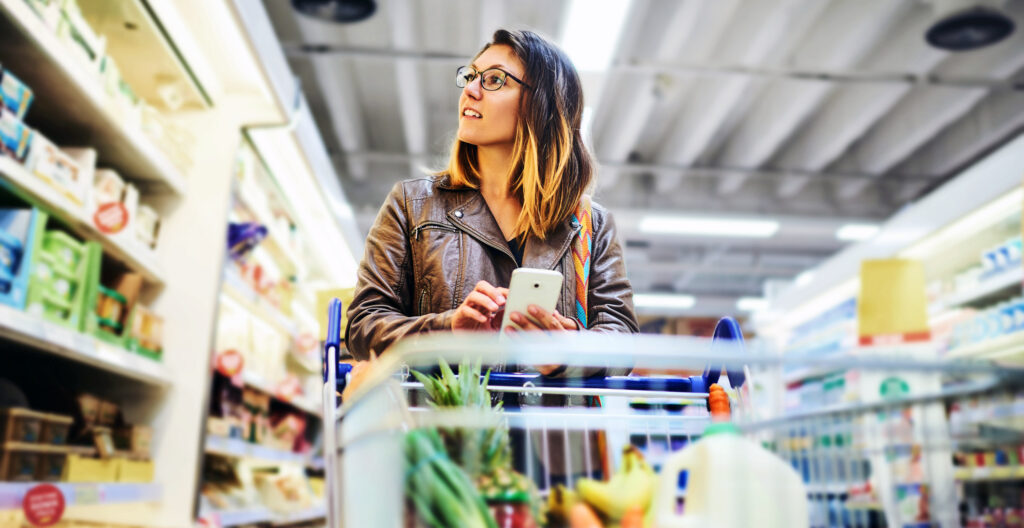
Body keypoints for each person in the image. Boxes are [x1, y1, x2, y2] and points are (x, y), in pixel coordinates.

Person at [345, 28, 638, 371]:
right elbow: (362, 327)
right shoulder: (412, 204)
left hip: (550, 423)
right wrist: (447, 331)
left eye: (494, 80)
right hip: (444, 424)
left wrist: (567, 349)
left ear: (542, 104)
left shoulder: (591, 224)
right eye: (470, 76)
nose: (470, 89)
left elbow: (623, 341)